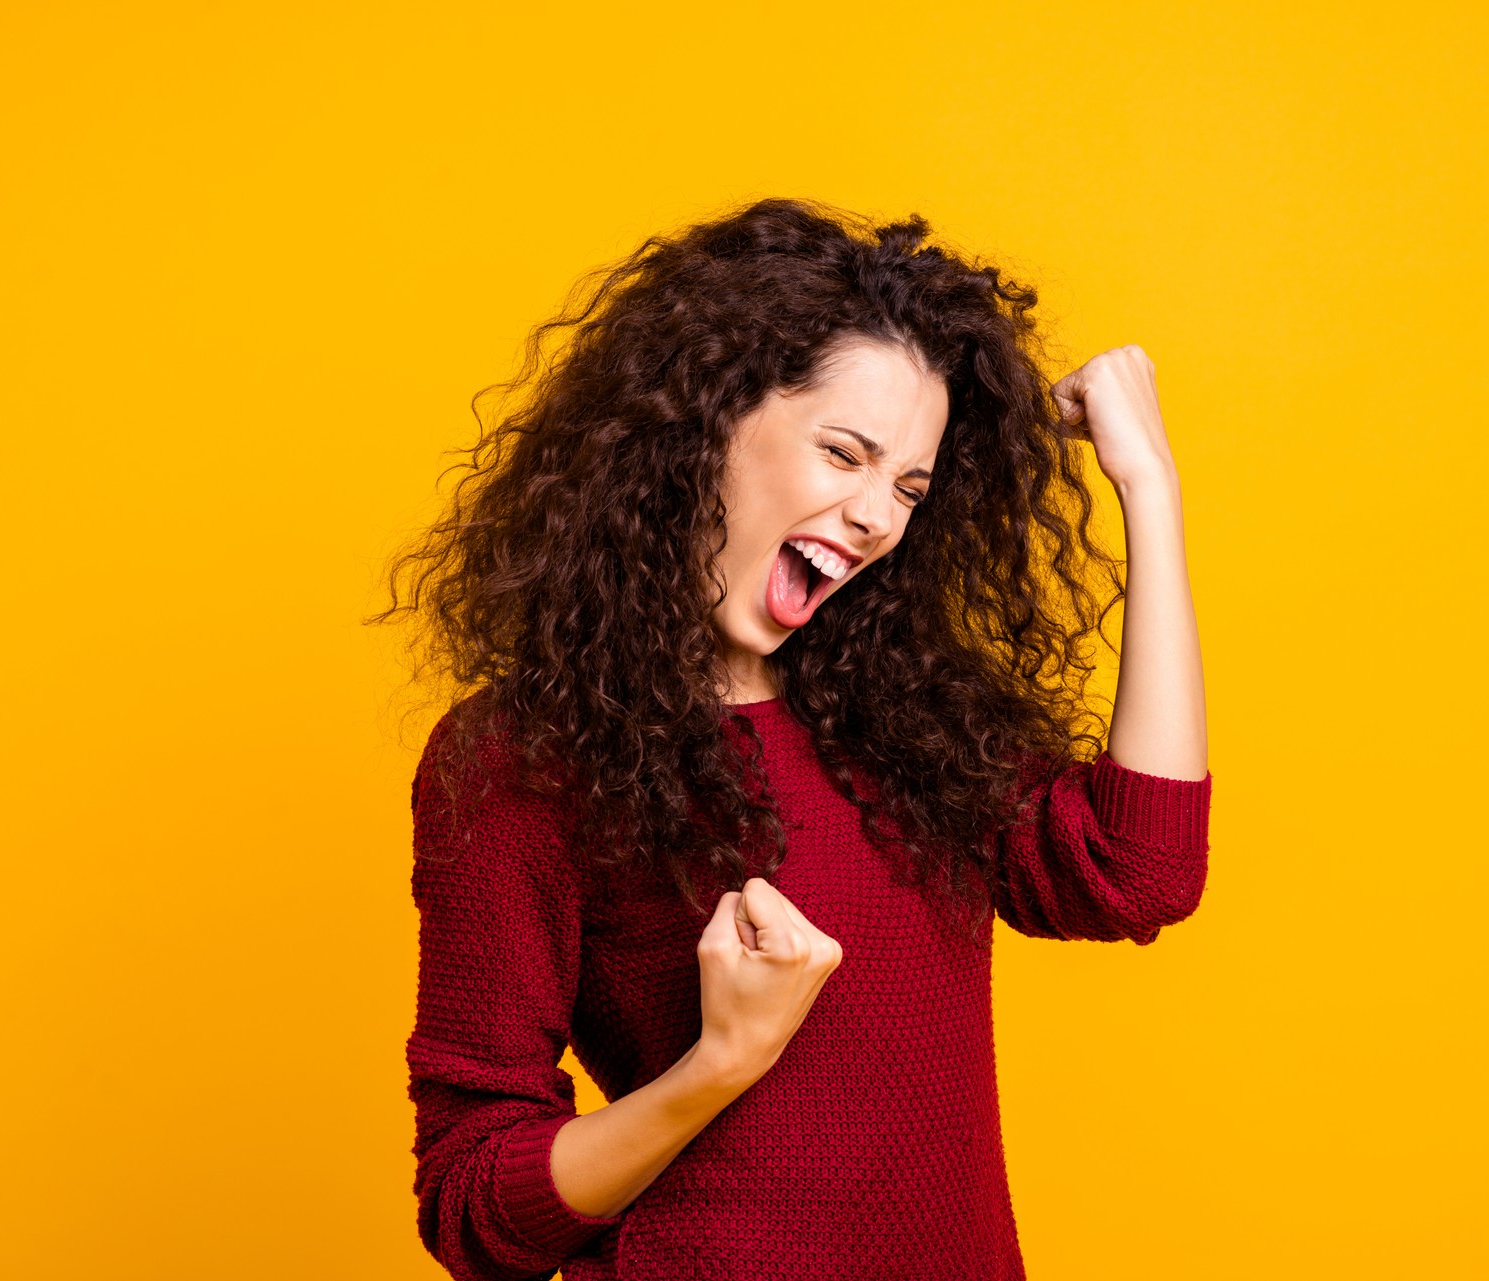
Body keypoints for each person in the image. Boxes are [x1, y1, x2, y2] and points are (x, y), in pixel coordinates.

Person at [370, 196, 1213, 1281]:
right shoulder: (519, 759)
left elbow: (1138, 869)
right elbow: (472, 1207)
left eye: (909, 485)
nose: (877, 517)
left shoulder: (906, 721)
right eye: (843, 453)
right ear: (704, 423)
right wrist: (722, 1062)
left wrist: (1150, 491)